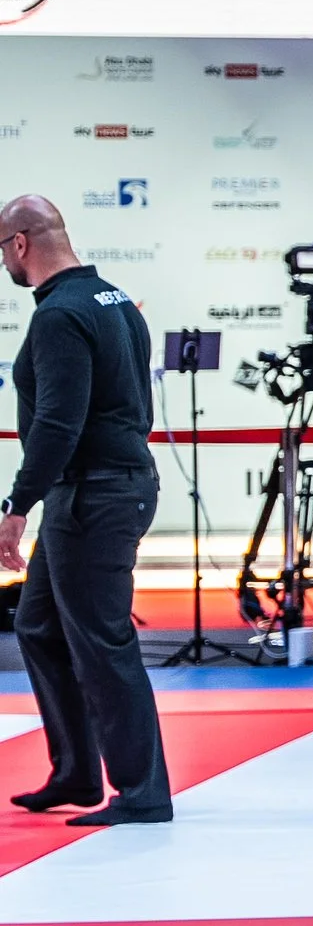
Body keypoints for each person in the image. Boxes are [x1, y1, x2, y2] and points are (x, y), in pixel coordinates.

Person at [0, 195, 170, 826]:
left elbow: (57, 423)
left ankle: (142, 790)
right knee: (39, 626)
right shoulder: (116, 301)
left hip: (92, 496)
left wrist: (17, 504)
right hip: (107, 486)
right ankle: (75, 770)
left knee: (103, 642)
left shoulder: (59, 316)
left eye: (2, 252)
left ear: (21, 243)